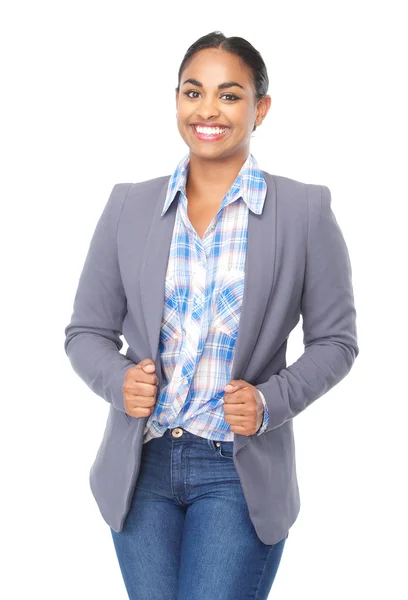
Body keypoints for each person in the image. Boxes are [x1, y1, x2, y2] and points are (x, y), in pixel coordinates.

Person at [64, 31, 359, 600]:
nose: (207, 111)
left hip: (237, 470)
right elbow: (86, 332)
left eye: (229, 95)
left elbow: (336, 341)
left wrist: (273, 400)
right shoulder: (128, 205)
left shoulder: (303, 210)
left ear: (260, 108)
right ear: (176, 99)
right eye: (193, 92)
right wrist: (118, 380)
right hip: (141, 466)